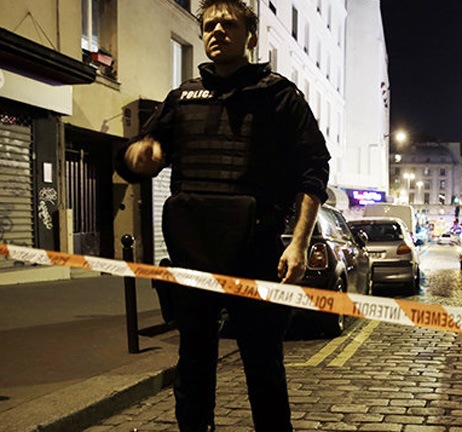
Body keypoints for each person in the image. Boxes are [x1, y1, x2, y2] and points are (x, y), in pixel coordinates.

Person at [115, 0, 330, 430]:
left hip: (255, 254)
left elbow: (314, 168)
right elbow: (138, 154)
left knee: (263, 368)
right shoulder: (182, 99)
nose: (216, 31)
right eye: (209, 24)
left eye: (228, 24)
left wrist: (299, 242)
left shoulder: (278, 95)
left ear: (251, 37)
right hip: (193, 257)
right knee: (193, 368)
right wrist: (136, 156)